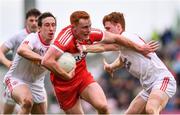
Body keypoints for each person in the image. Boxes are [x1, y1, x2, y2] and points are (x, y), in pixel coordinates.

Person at [41, 10, 158, 114]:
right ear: (74, 28)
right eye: (84, 27)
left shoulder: (91, 33)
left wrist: (140, 48)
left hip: (82, 77)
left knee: (103, 106)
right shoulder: (64, 39)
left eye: (89, 26)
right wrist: (66, 75)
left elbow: (116, 39)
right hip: (64, 85)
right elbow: (46, 61)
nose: (88, 31)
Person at [79, 12, 177, 114]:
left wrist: (84, 47)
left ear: (118, 27)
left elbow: (103, 47)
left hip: (162, 80)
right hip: (149, 87)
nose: (106, 31)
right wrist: (111, 66)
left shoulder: (126, 37)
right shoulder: (124, 47)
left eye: (108, 28)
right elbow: (122, 59)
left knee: (151, 109)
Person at [3, 12, 56, 114]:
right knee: (26, 102)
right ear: (39, 28)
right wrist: (42, 59)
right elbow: (22, 50)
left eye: (53, 25)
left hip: (37, 84)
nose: (51, 28)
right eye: (47, 25)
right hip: (16, 78)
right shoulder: (32, 37)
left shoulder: (55, 47)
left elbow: (55, 68)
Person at [0, 8, 41, 114]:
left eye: (37, 20)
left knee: (37, 109)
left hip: (35, 80)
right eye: (31, 20)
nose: (34, 23)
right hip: (16, 77)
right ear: (26, 22)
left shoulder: (43, 38)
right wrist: (7, 62)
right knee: (8, 111)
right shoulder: (18, 36)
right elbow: (1, 51)